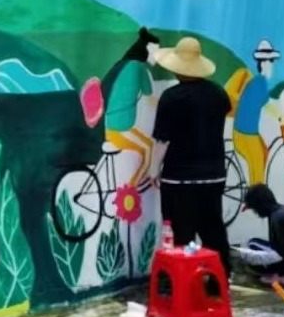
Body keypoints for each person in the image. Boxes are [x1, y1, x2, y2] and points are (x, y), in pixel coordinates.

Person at [148, 37, 233, 279]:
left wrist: (154, 170)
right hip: (214, 174)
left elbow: (162, 140)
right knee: (213, 230)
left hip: (180, 178)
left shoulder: (172, 98)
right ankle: (220, 280)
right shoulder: (218, 94)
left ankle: (182, 283)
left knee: (181, 234)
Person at [100, 27, 160, 186]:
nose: (157, 56)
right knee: (148, 148)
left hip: (115, 124)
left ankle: (142, 179)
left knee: (148, 145)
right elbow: (151, 99)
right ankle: (129, 191)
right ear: (147, 49)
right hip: (119, 127)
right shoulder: (139, 68)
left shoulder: (124, 64)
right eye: (155, 51)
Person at [229, 40, 283, 185]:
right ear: (263, 63)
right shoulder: (259, 83)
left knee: (264, 152)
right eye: (271, 61)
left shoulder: (258, 82)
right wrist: (281, 117)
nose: (272, 65)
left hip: (248, 133)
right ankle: (255, 198)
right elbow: (268, 105)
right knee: (257, 165)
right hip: (245, 134)